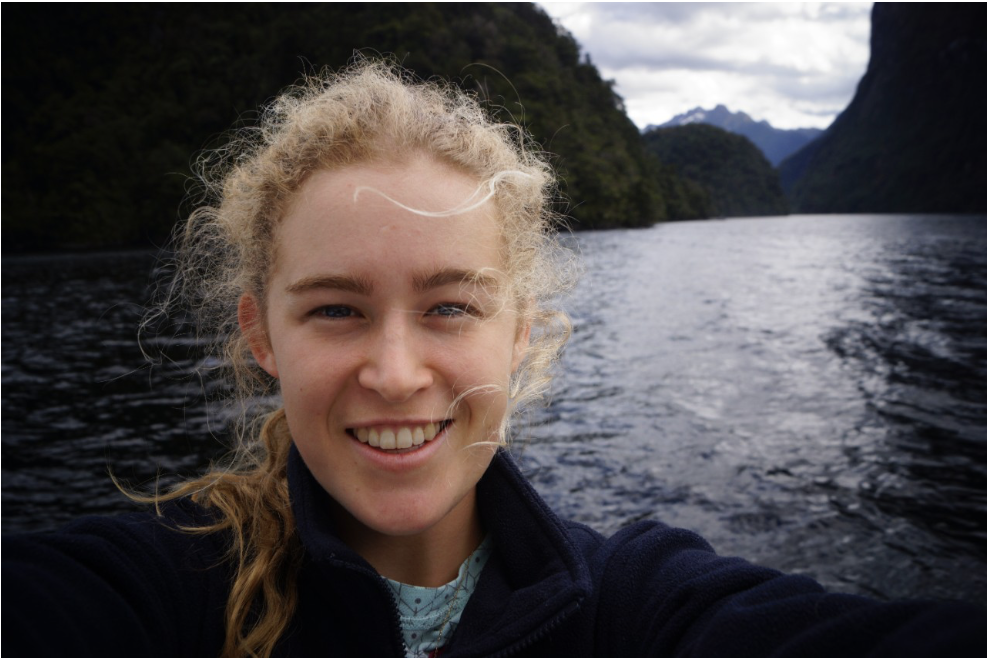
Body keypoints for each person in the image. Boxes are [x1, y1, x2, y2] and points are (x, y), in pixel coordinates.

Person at [2, 59, 981, 658]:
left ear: (518, 334)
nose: (394, 372)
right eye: (336, 309)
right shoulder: (165, 588)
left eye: (450, 307)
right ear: (264, 336)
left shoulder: (631, 606)